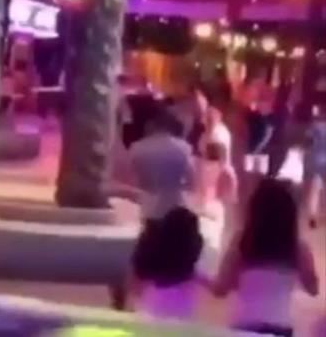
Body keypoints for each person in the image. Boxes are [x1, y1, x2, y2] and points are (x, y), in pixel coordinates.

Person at [213, 179, 319, 336]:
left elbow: (220, 289)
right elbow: (313, 289)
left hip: (245, 325)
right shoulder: (298, 248)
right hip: (280, 327)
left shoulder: (242, 242)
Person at [131, 207, 204, 320]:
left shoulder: (152, 252)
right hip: (181, 309)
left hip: (153, 303)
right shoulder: (189, 258)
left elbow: (135, 284)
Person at [128, 107, 196, 225]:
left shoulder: (137, 148)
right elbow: (192, 180)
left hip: (150, 208)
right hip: (177, 206)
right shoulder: (184, 148)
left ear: (151, 125)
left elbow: (133, 180)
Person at [197, 142, 238, 248]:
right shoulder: (226, 170)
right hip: (216, 211)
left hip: (202, 209)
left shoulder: (201, 168)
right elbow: (230, 198)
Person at [303, 106, 326, 228]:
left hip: (316, 161)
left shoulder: (313, 126)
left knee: (315, 189)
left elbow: (308, 142)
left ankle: (313, 215)